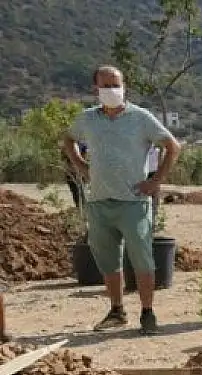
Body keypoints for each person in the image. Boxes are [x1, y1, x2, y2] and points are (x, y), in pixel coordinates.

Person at [63, 65, 180, 335]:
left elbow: (172, 146)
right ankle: (116, 311)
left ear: (124, 85)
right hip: (100, 201)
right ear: (96, 89)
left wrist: (156, 180)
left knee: (142, 259)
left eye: (116, 85)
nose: (112, 90)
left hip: (134, 201)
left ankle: (147, 312)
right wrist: (81, 165)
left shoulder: (141, 118)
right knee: (108, 261)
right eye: (106, 86)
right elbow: (68, 139)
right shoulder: (87, 119)